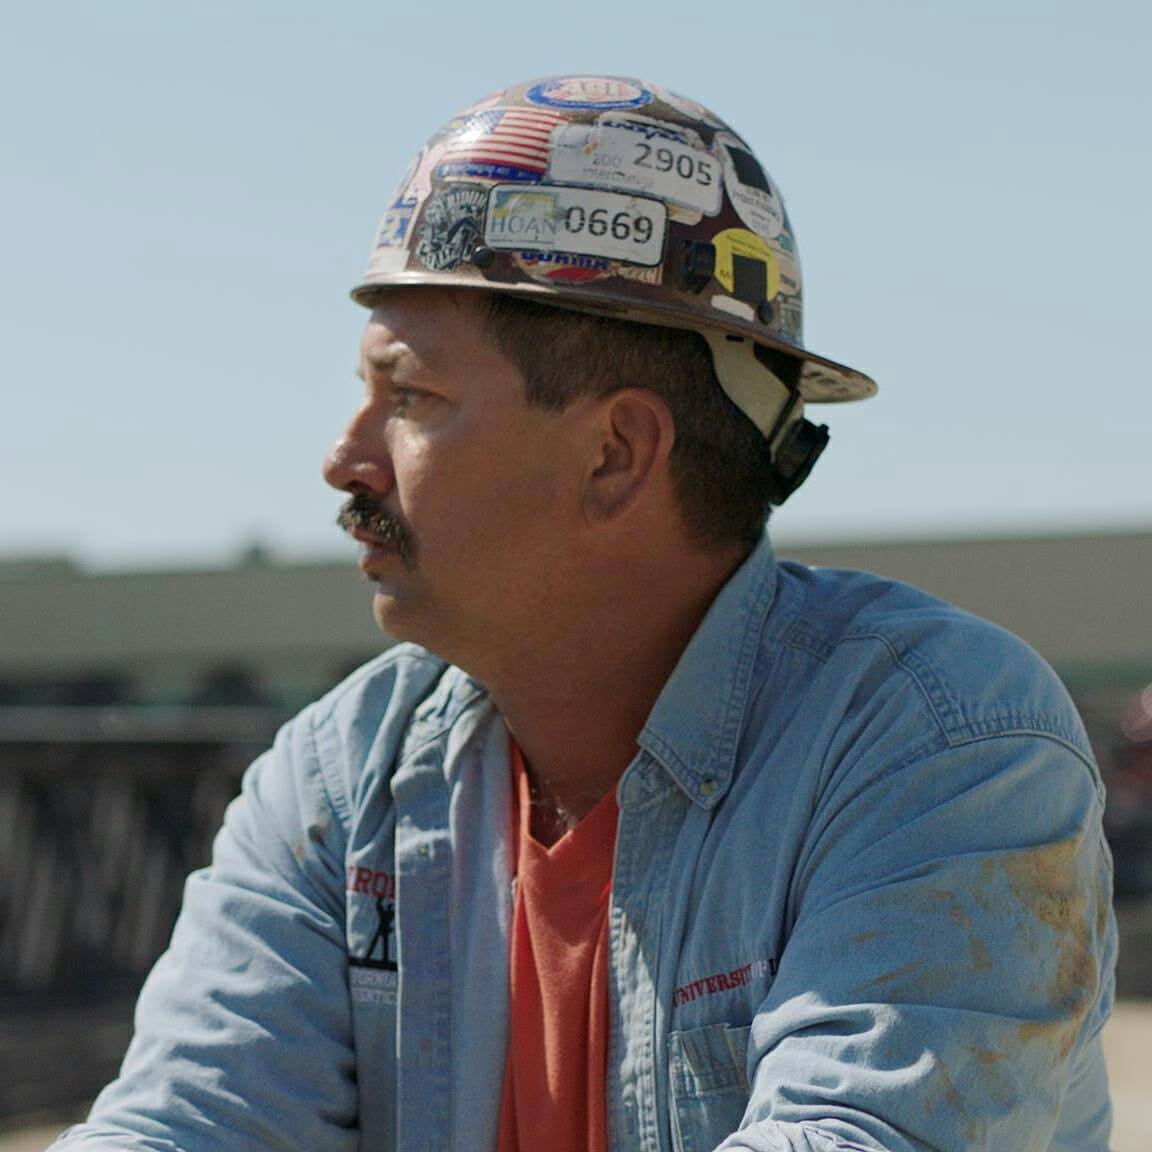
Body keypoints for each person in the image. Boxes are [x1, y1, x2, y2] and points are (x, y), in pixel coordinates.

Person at [52, 74, 1115, 1152]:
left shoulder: (939, 742)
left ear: (614, 454)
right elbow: (184, 1125)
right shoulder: (343, 778)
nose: (345, 458)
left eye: (410, 396)